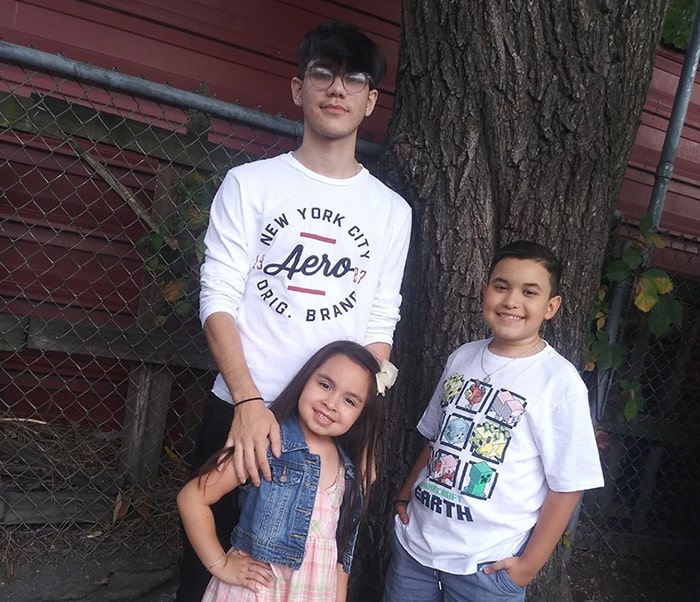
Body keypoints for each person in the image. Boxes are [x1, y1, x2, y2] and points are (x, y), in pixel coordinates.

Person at [176, 21, 412, 600]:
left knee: (314, 577)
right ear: (296, 89)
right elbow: (218, 299)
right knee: (213, 571)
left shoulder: (390, 212)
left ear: (370, 101)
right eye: (322, 74)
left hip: (331, 430)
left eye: (354, 79)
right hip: (243, 412)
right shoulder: (250, 184)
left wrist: (367, 430)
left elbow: (380, 327)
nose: (337, 89)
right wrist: (250, 403)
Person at [382, 241, 604, 602]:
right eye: (502, 286)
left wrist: (529, 566)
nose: (512, 301)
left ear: (551, 307)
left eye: (529, 292)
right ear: (485, 291)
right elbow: (436, 437)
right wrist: (405, 495)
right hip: (416, 550)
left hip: (486, 567)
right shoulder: (462, 358)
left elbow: (569, 483)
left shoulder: (559, 382)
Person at [177, 340, 388, 602]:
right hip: (257, 593)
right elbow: (192, 498)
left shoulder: (351, 472)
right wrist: (220, 564)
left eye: (349, 400)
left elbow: (342, 553)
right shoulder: (268, 443)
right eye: (324, 385)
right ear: (304, 380)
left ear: (362, 415)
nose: (331, 403)